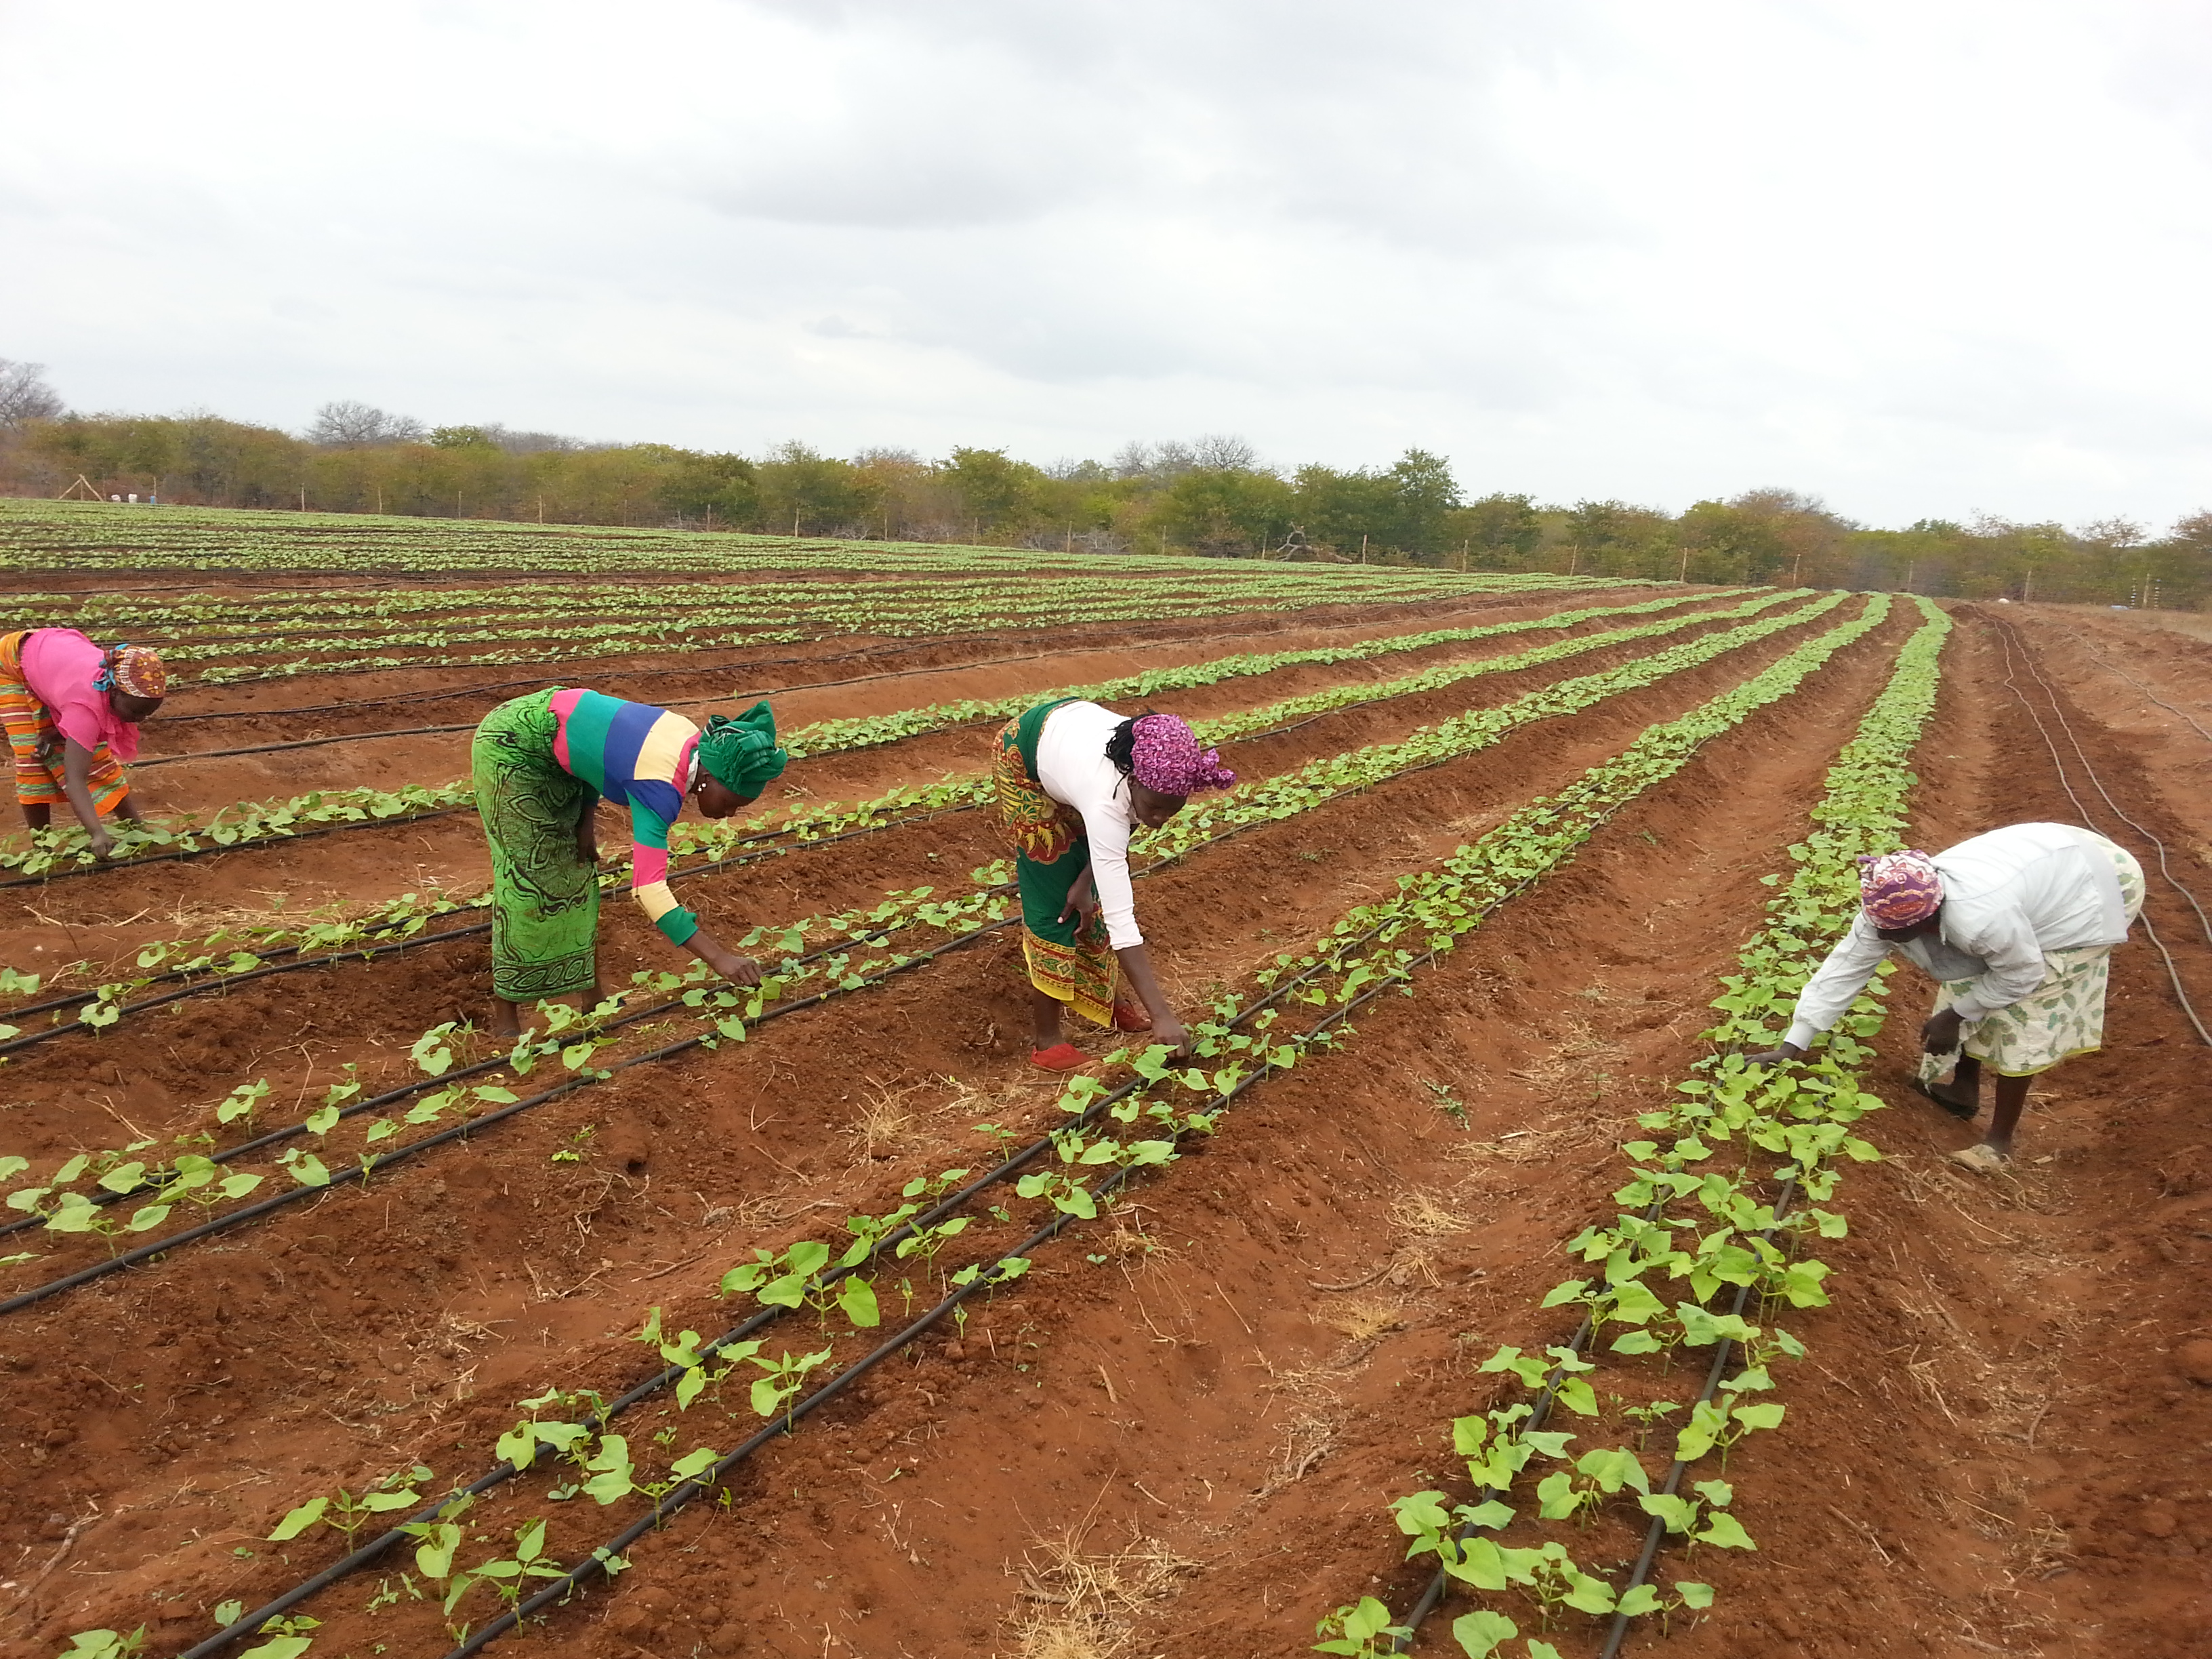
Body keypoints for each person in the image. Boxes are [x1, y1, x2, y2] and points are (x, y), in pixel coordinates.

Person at [1750, 823, 2144, 1172]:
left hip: (2096, 883)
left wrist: (1957, 1016)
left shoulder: (1980, 919)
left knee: (2024, 1011)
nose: (1886, 938)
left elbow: (2023, 974)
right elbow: (1845, 969)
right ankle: (1962, 1090)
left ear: (1929, 917)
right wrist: (1792, 1044)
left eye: (1898, 932)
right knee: (1966, 985)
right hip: (2046, 858)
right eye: (1882, 928)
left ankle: (1999, 1144)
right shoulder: (1885, 907)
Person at [472, 689, 787, 1038]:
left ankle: (593, 998)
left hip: (559, 751)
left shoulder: (693, 744)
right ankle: (505, 1018)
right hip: (513, 746)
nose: (729, 814)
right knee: (527, 880)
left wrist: (586, 818)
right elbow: (648, 890)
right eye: (732, 803)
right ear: (710, 779)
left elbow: (602, 748)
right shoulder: (660, 784)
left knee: (577, 875)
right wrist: (719, 959)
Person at [991, 699, 1235, 1069]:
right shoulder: (1105, 798)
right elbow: (1123, 918)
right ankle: (1047, 1042)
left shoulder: (1153, 765)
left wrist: (1088, 881)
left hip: (1073, 750)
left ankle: (1107, 1000)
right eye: (1154, 808)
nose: (1159, 820)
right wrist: (1162, 1016)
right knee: (1055, 899)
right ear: (1133, 779)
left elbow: (1128, 823)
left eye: (1172, 811)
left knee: (1088, 890)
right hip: (1024, 757)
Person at [0, 629, 167, 859]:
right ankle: (42, 847)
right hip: (12, 662)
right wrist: (97, 833)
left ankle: (136, 828)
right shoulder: (85, 709)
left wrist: (57, 732)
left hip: (55, 657)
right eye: (136, 711)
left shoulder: (110, 683)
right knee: (33, 759)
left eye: (147, 714)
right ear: (114, 692)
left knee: (94, 755)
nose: (139, 720)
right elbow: (74, 778)